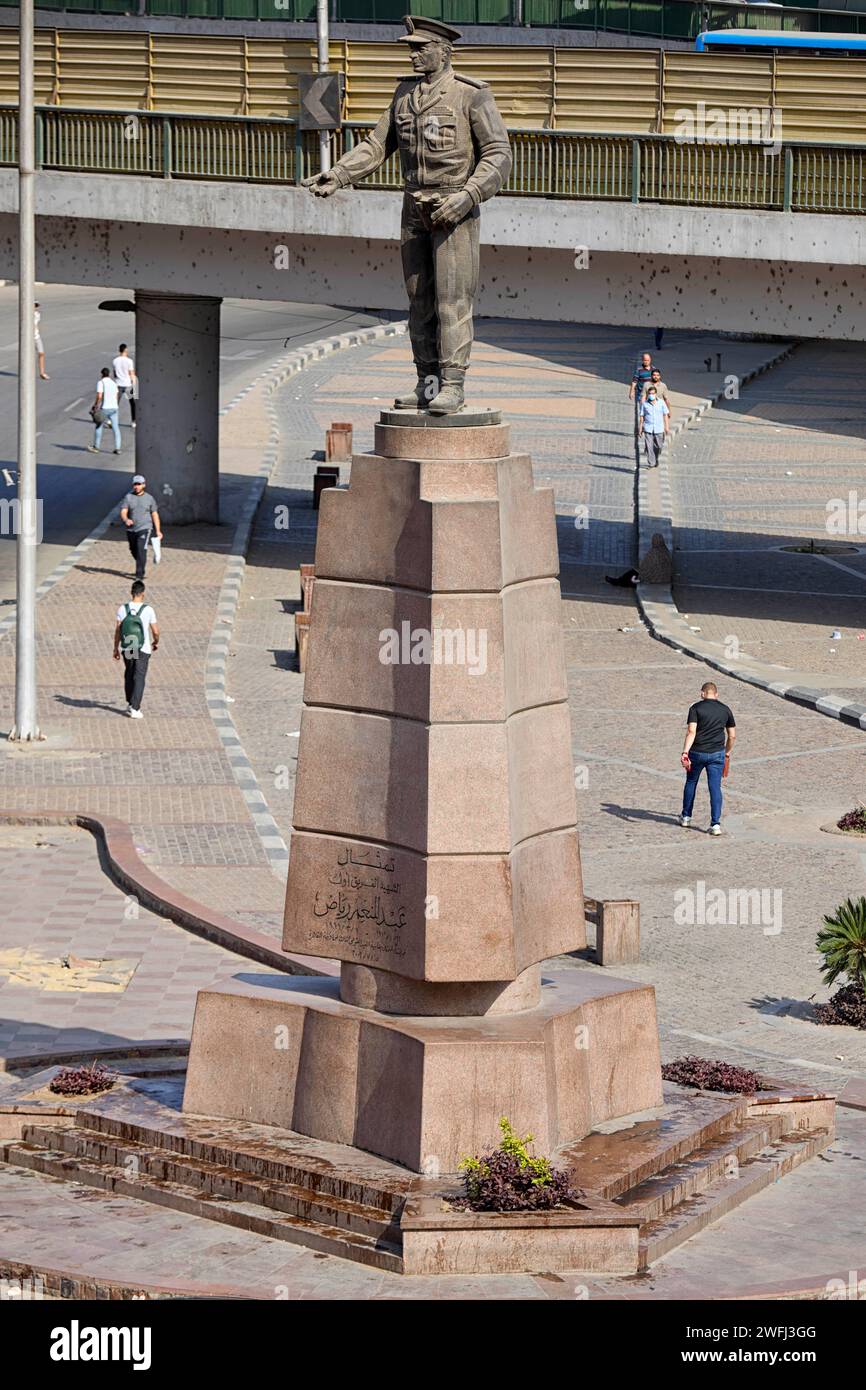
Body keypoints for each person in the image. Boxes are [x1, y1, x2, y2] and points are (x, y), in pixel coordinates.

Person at [302, 15, 512, 416]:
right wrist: (340, 173)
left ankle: (452, 385)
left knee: (452, 301)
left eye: (420, 48)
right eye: (410, 48)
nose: (413, 54)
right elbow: (376, 145)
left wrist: (468, 196)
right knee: (420, 301)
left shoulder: (471, 95)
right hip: (413, 207)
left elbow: (499, 155)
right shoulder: (403, 95)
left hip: (453, 208)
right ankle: (427, 381)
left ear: (443, 51)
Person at [680, 681, 736, 834]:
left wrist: (685, 752)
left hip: (697, 752)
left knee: (691, 782)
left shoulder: (695, 708)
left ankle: (686, 816)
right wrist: (727, 752)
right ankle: (715, 824)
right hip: (717, 753)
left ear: (702, 693)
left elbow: (691, 731)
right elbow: (732, 735)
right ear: (716, 695)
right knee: (715, 788)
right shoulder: (725, 710)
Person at [113, 580, 158, 719]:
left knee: (129, 673)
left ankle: (130, 702)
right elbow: (155, 631)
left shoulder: (123, 608)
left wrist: (115, 647)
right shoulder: (148, 610)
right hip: (142, 648)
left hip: (128, 647)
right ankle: (135, 708)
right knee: (139, 677)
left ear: (131, 593)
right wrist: (155, 642)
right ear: (142, 594)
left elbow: (118, 630)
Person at [120, 474, 162, 581]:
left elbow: (154, 514)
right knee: (133, 549)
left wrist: (158, 530)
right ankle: (141, 561)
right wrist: (126, 519)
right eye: (135, 484)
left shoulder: (149, 498)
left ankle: (139, 574)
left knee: (140, 549)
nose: (137, 486)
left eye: (139, 484)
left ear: (144, 485)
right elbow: (123, 511)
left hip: (145, 527)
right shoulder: (128, 497)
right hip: (131, 529)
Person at [88, 367, 122, 455]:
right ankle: (118, 448)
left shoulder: (101, 382)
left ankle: (96, 447)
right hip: (114, 408)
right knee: (116, 428)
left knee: (98, 426)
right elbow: (117, 395)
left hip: (105, 408)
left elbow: (99, 396)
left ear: (102, 374)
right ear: (109, 374)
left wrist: (95, 405)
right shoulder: (114, 383)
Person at [638, 384, 669, 467]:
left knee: (659, 446)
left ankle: (656, 458)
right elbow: (641, 416)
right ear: (648, 394)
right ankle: (651, 462)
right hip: (648, 428)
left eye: (653, 393)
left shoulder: (661, 403)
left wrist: (666, 427)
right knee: (649, 446)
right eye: (650, 394)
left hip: (659, 429)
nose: (651, 395)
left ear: (656, 394)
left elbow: (665, 414)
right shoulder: (645, 404)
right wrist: (640, 429)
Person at [112, 343, 137, 429]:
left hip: (118, 384)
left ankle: (111, 420)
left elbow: (115, 373)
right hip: (128, 385)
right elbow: (131, 373)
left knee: (115, 404)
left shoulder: (115, 361)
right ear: (125, 350)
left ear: (119, 351)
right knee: (133, 404)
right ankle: (133, 421)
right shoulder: (129, 361)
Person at [628, 351, 654, 432]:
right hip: (641, 394)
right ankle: (641, 427)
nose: (646, 362)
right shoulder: (639, 370)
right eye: (645, 360)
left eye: (647, 360)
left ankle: (646, 427)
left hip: (651, 395)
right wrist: (631, 391)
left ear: (650, 360)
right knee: (643, 411)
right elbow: (634, 381)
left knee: (650, 411)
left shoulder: (654, 369)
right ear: (642, 360)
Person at [34, 302, 48, 380]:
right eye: (34, 305)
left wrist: (37, 330)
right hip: (28, 338)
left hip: (36, 336)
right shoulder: (26, 314)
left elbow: (36, 324)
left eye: (36, 305)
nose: (35, 307)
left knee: (41, 353)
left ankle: (42, 373)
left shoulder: (37, 314)